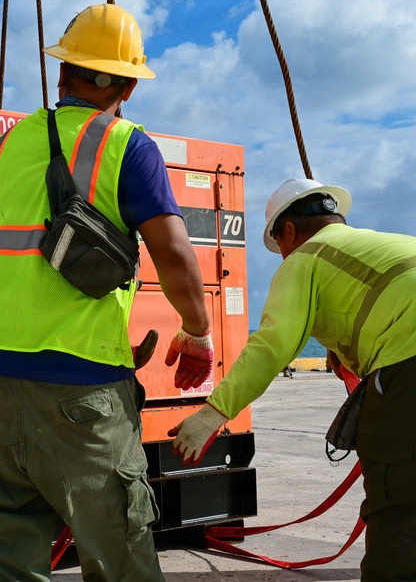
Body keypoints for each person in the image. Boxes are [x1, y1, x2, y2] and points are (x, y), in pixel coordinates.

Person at [0, 3, 214, 582]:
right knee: (120, 558)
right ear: (128, 87)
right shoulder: (124, 145)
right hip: (82, 394)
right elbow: (172, 253)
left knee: (6, 558)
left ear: (61, 74)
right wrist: (197, 331)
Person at [169, 177, 416, 582]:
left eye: (280, 246)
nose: (283, 256)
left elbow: (271, 345)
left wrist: (213, 413)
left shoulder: (305, 257)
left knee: (400, 508)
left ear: (288, 230)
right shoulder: (384, 244)